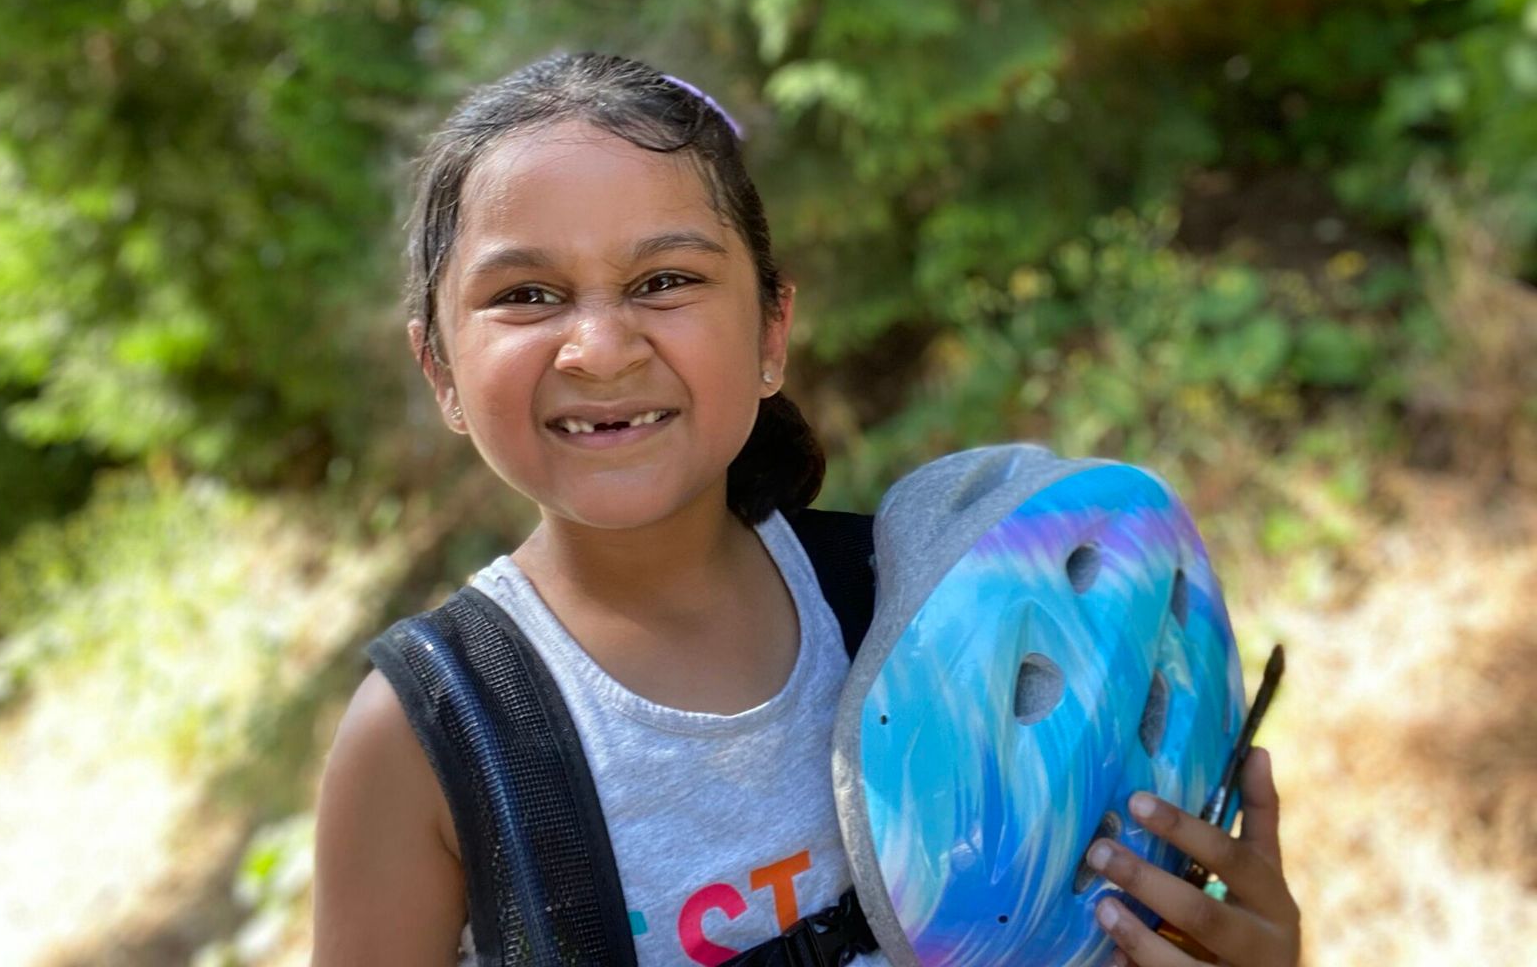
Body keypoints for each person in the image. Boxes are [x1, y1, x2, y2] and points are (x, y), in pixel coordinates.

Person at [310, 51, 1301, 967]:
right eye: (527, 295)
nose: (600, 349)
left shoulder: (937, 612)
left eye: (665, 281)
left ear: (771, 332)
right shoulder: (429, 737)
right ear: (440, 369)